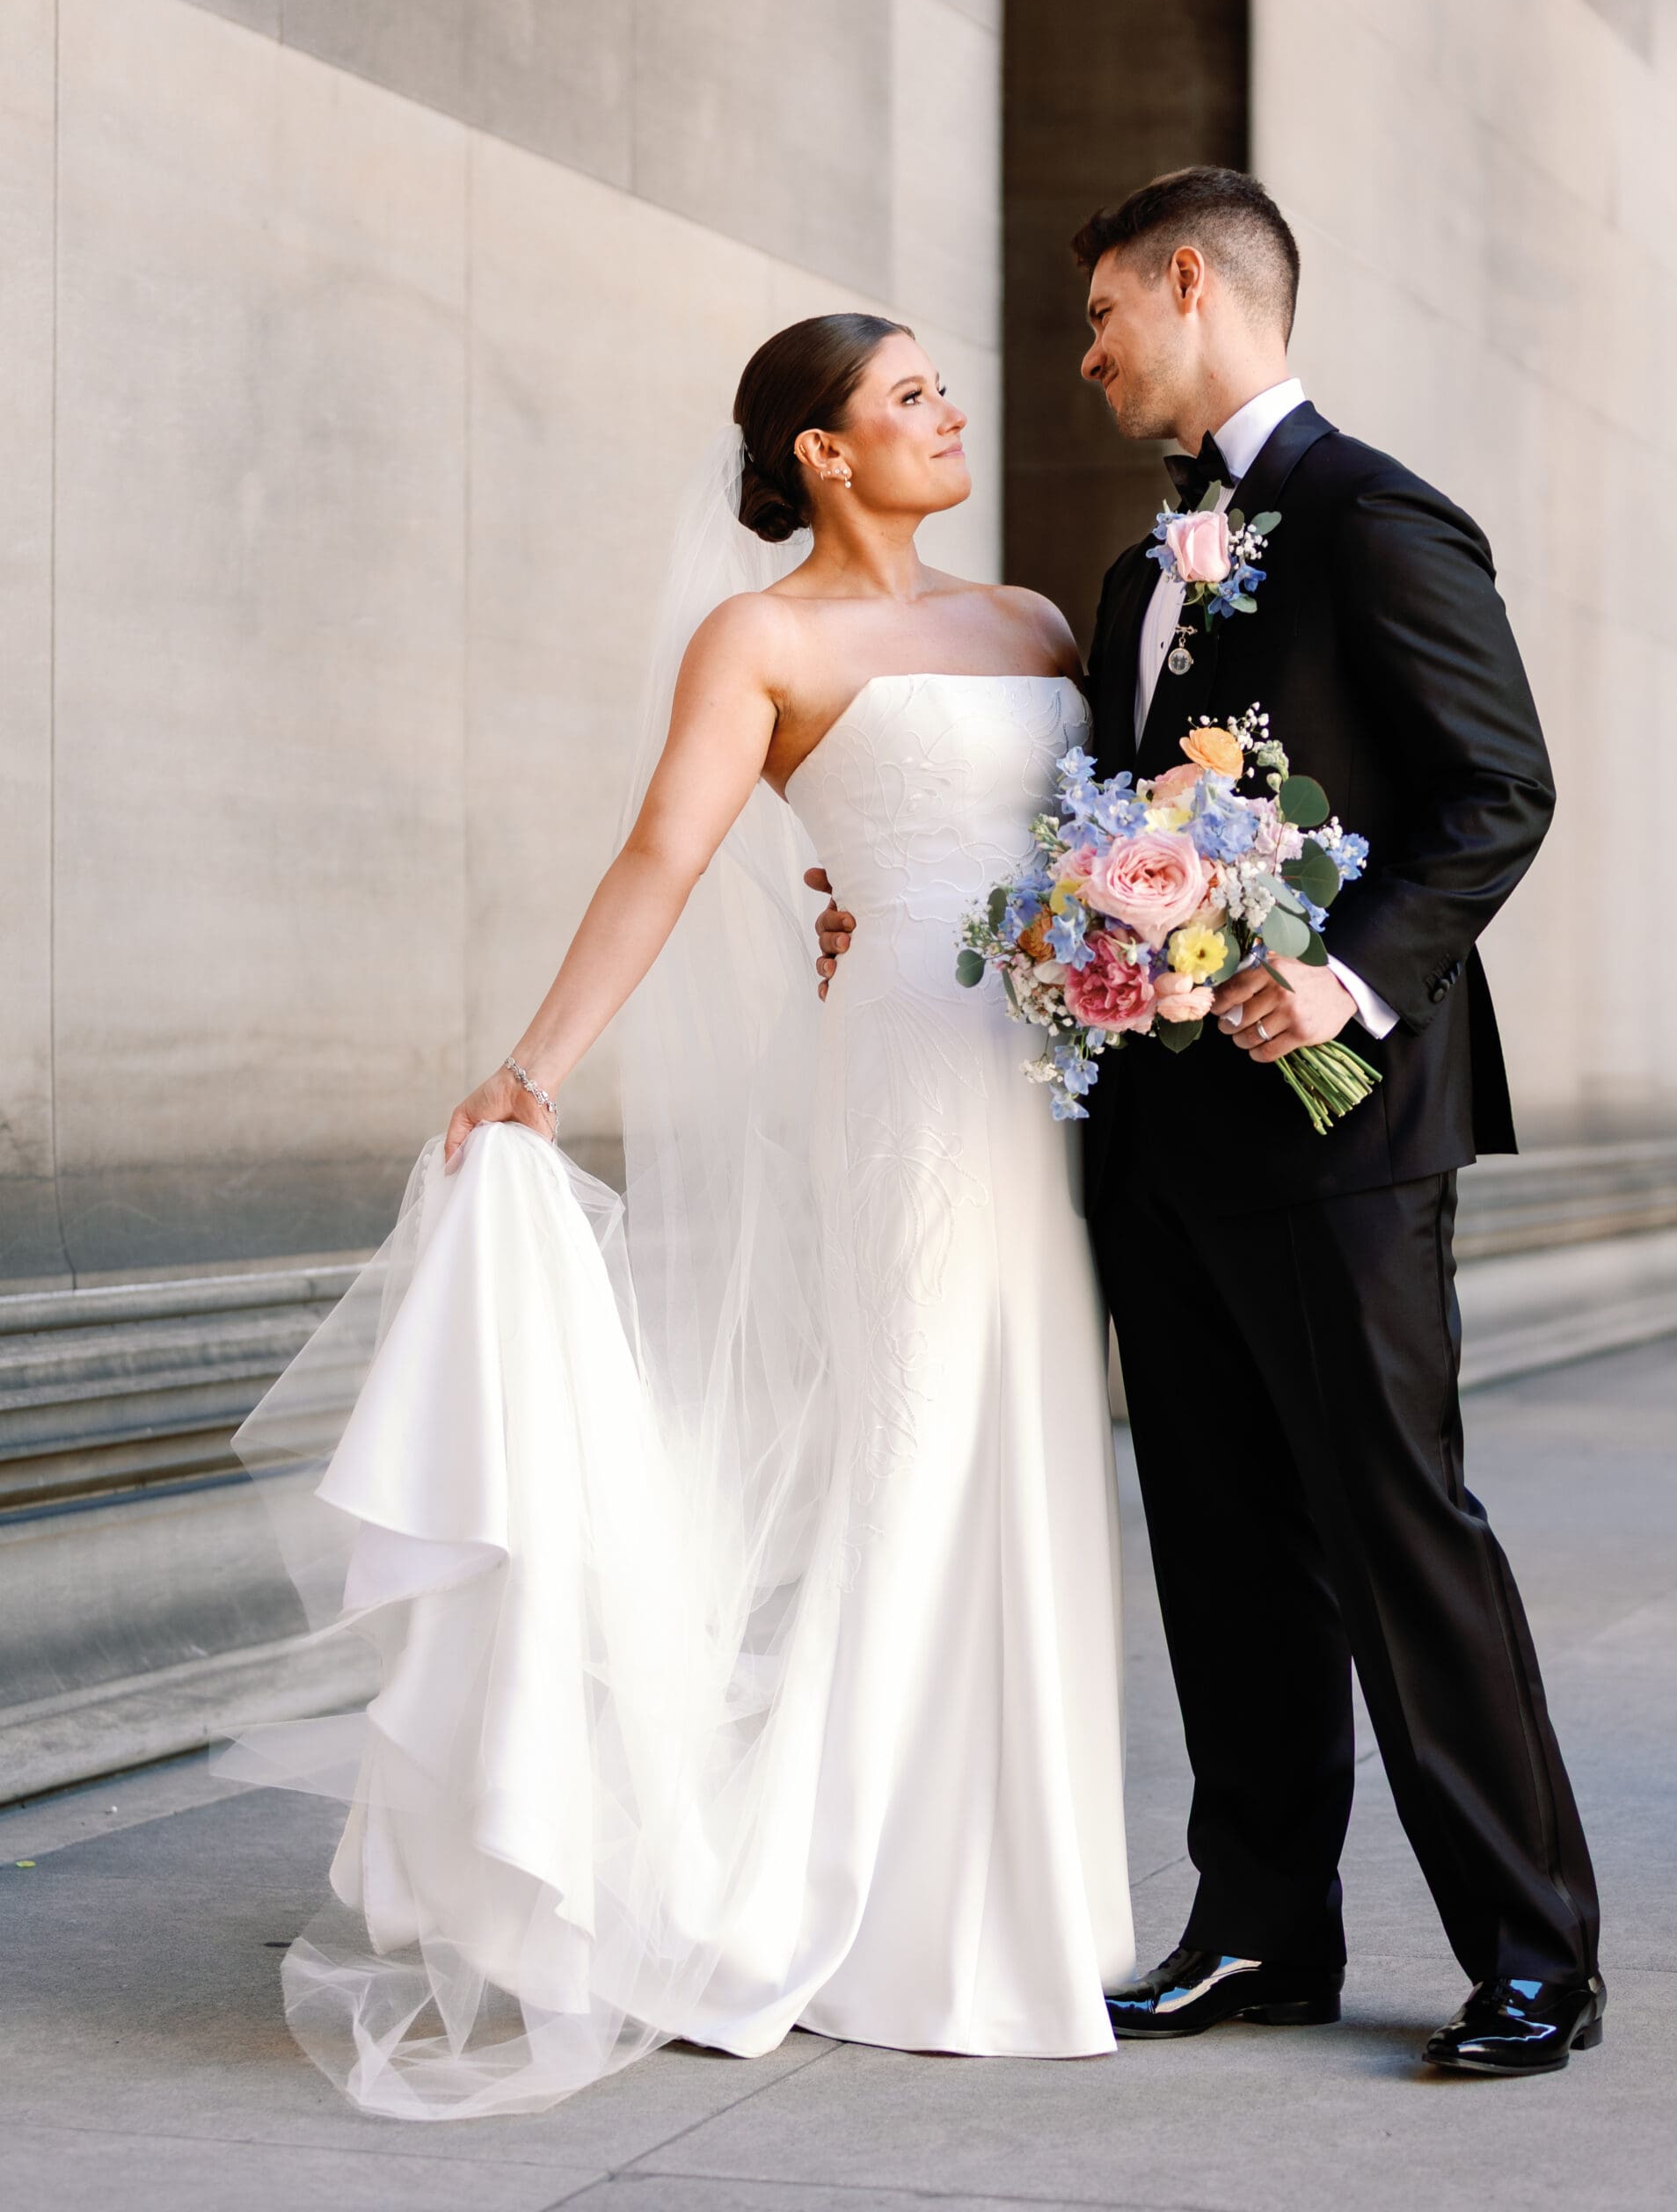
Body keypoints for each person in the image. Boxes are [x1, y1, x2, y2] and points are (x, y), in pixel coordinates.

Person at [223, 312, 1137, 2121]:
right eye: (908, 397)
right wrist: (534, 1063)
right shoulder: (764, 635)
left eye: (942, 390)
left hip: (1037, 1076)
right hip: (897, 1074)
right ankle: (837, 1891)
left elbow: (1087, 841)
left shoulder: (1035, 622)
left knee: (1018, 1442)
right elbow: (664, 845)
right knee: (912, 1438)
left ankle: (997, 1889)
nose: (948, 413)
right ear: (818, 449)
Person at [815, 168, 1605, 2078]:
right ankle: (1261, 1930)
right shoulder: (1137, 561)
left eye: (1098, 318)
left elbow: (1495, 790)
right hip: (1156, 1142)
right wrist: (893, 894)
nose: (1080, 358)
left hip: (1341, 1129)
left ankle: (1532, 1948)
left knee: (1396, 1525)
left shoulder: (1373, 516)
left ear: (1192, 283)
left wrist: (1337, 978)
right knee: (1220, 1541)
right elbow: (1087, 824)